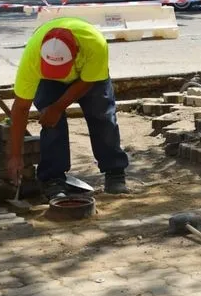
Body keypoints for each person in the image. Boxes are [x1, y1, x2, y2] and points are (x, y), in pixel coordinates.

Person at [8, 17, 130, 200]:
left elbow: (88, 81)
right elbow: (20, 108)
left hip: (89, 76)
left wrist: (58, 107)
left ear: (77, 52)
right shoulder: (32, 58)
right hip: (47, 81)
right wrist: (15, 155)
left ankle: (114, 172)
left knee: (102, 115)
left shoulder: (94, 44)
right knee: (50, 123)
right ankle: (52, 179)